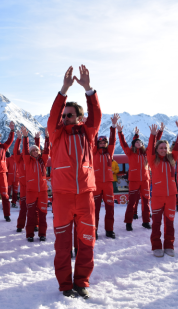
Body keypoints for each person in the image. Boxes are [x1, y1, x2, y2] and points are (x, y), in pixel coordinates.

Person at [47, 65, 101, 299]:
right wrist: (64, 89)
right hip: (62, 197)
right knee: (62, 245)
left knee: (87, 242)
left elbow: (96, 115)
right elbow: (52, 116)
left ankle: (82, 282)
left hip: (85, 196)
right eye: (64, 115)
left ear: (79, 117)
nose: (65, 118)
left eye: (70, 115)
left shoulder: (87, 133)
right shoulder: (56, 134)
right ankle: (65, 285)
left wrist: (89, 89)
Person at [147, 121, 178, 257]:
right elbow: (149, 149)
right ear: (157, 149)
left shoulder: (171, 159)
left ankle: (169, 245)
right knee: (156, 223)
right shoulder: (152, 160)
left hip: (171, 196)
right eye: (160, 148)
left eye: (165, 148)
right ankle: (156, 246)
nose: (163, 149)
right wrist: (153, 136)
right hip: (157, 196)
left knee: (170, 223)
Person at [117, 124, 163, 231]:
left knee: (146, 202)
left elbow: (153, 143)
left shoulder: (146, 153)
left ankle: (146, 221)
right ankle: (128, 222)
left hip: (145, 180)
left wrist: (158, 133)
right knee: (132, 202)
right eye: (136, 142)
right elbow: (123, 144)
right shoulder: (130, 153)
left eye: (140, 142)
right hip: (133, 180)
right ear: (134, 145)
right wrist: (120, 132)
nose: (138, 143)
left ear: (142, 144)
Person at [21, 127, 50, 242]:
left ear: (39, 151)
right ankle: (29, 234)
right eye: (32, 150)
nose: (35, 152)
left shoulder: (43, 161)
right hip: (31, 192)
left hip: (43, 191)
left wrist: (47, 138)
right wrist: (25, 137)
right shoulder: (28, 161)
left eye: (36, 150)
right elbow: (25, 149)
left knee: (43, 214)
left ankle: (42, 234)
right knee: (31, 214)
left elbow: (47, 149)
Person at [93, 114, 118, 239]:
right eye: (100, 142)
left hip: (108, 183)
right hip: (96, 184)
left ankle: (109, 230)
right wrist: (95, 129)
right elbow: (93, 138)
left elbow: (113, 140)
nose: (102, 144)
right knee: (94, 210)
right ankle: (94, 231)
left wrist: (113, 126)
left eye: (104, 142)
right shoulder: (94, 152)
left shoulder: (109, 152)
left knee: (110, 208)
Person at [14, 131, 41, 232]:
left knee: (36, 207)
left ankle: (36, 224)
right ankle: (20, 225)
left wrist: (37, 139)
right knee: (24, 207)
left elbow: (36, 150)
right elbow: (16, 150)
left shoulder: (33, 160)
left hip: (33, 186)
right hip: (24, 186)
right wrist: (19, 139)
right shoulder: (19, 159)